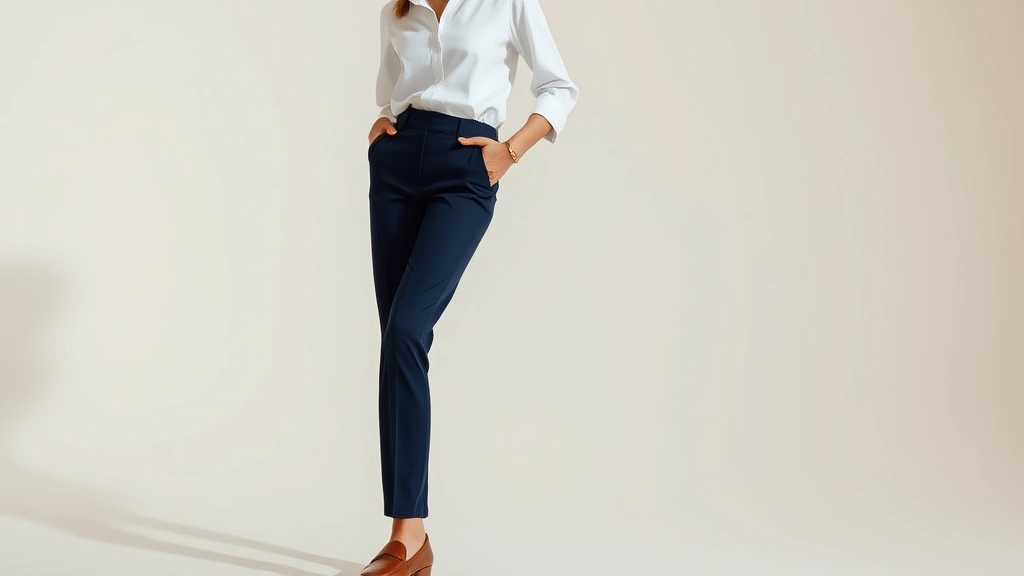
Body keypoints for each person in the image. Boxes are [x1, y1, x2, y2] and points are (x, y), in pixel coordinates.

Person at [361, 0, 578, 574]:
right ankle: (409, 536)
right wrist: (382, 129)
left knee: (408, 329)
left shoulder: (506, 3)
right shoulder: (398, 11)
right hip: (397, 165)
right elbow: (393, 92)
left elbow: (559, 87)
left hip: (466, 168)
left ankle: (407, 540)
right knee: (397, 342)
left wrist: (510, 151)